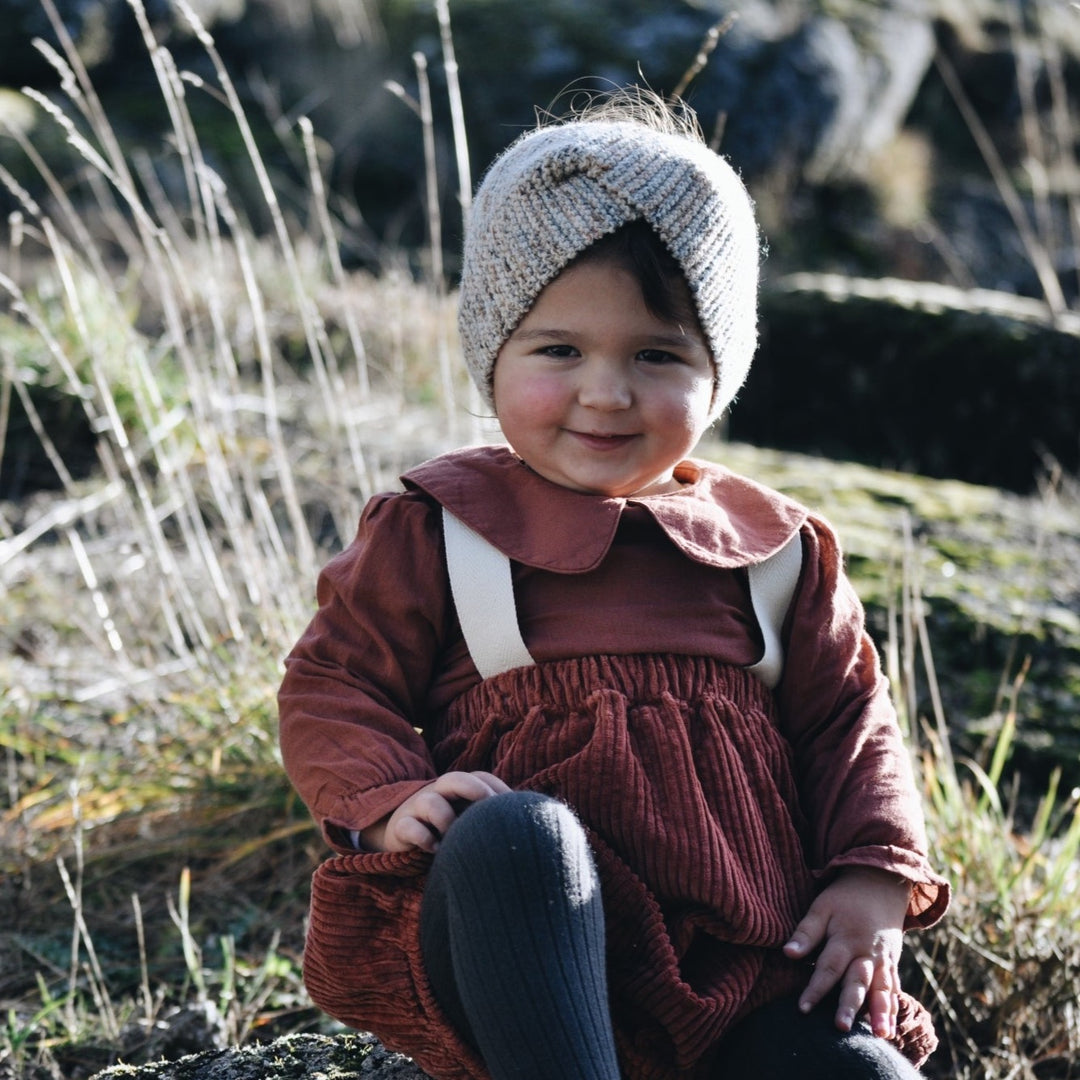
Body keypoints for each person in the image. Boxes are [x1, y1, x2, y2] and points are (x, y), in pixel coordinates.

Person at [278, 91, 950, 1080]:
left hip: (748, 974)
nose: (606, 391)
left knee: (864, 1074)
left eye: (656, 354)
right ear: (492, 352)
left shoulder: (775, 554)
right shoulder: (439, 527)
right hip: (526, 970)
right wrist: (391, 799)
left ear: (718, 371)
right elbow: (334, 684)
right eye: (559, 350)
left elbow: (854, 722)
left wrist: (871, 878)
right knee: (516, 837)